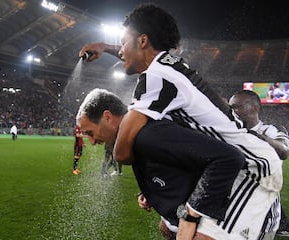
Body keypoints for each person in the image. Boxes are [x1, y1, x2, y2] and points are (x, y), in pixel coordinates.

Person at [79, 4, 282, 239]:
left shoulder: (157, 77)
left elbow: (122, 151)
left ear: (143, 41)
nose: (121, 51)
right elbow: (135, 53)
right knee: (168, 227)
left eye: (124, 42)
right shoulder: (168, 66)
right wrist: (105, 48)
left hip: (250, 168)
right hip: (226, 163)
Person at [77, 88, 247, 240]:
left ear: (107, 117)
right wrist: (151, 190)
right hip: (179, 225)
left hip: (209, 228)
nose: (91, 141)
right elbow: (181, 163)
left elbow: (229, 158)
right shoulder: (134, 137)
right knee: (164, 227)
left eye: (90, 133)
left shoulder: (149, 136)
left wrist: (191, 215)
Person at [229, 90, 289, 237]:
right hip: (233, 207)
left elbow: (284, 151)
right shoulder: (229, 132)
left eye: (238, 106)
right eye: (231, 108)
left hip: (263, 211)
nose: (233, 111)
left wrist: (251, 135)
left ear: (255, 108)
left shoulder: (270, 130)